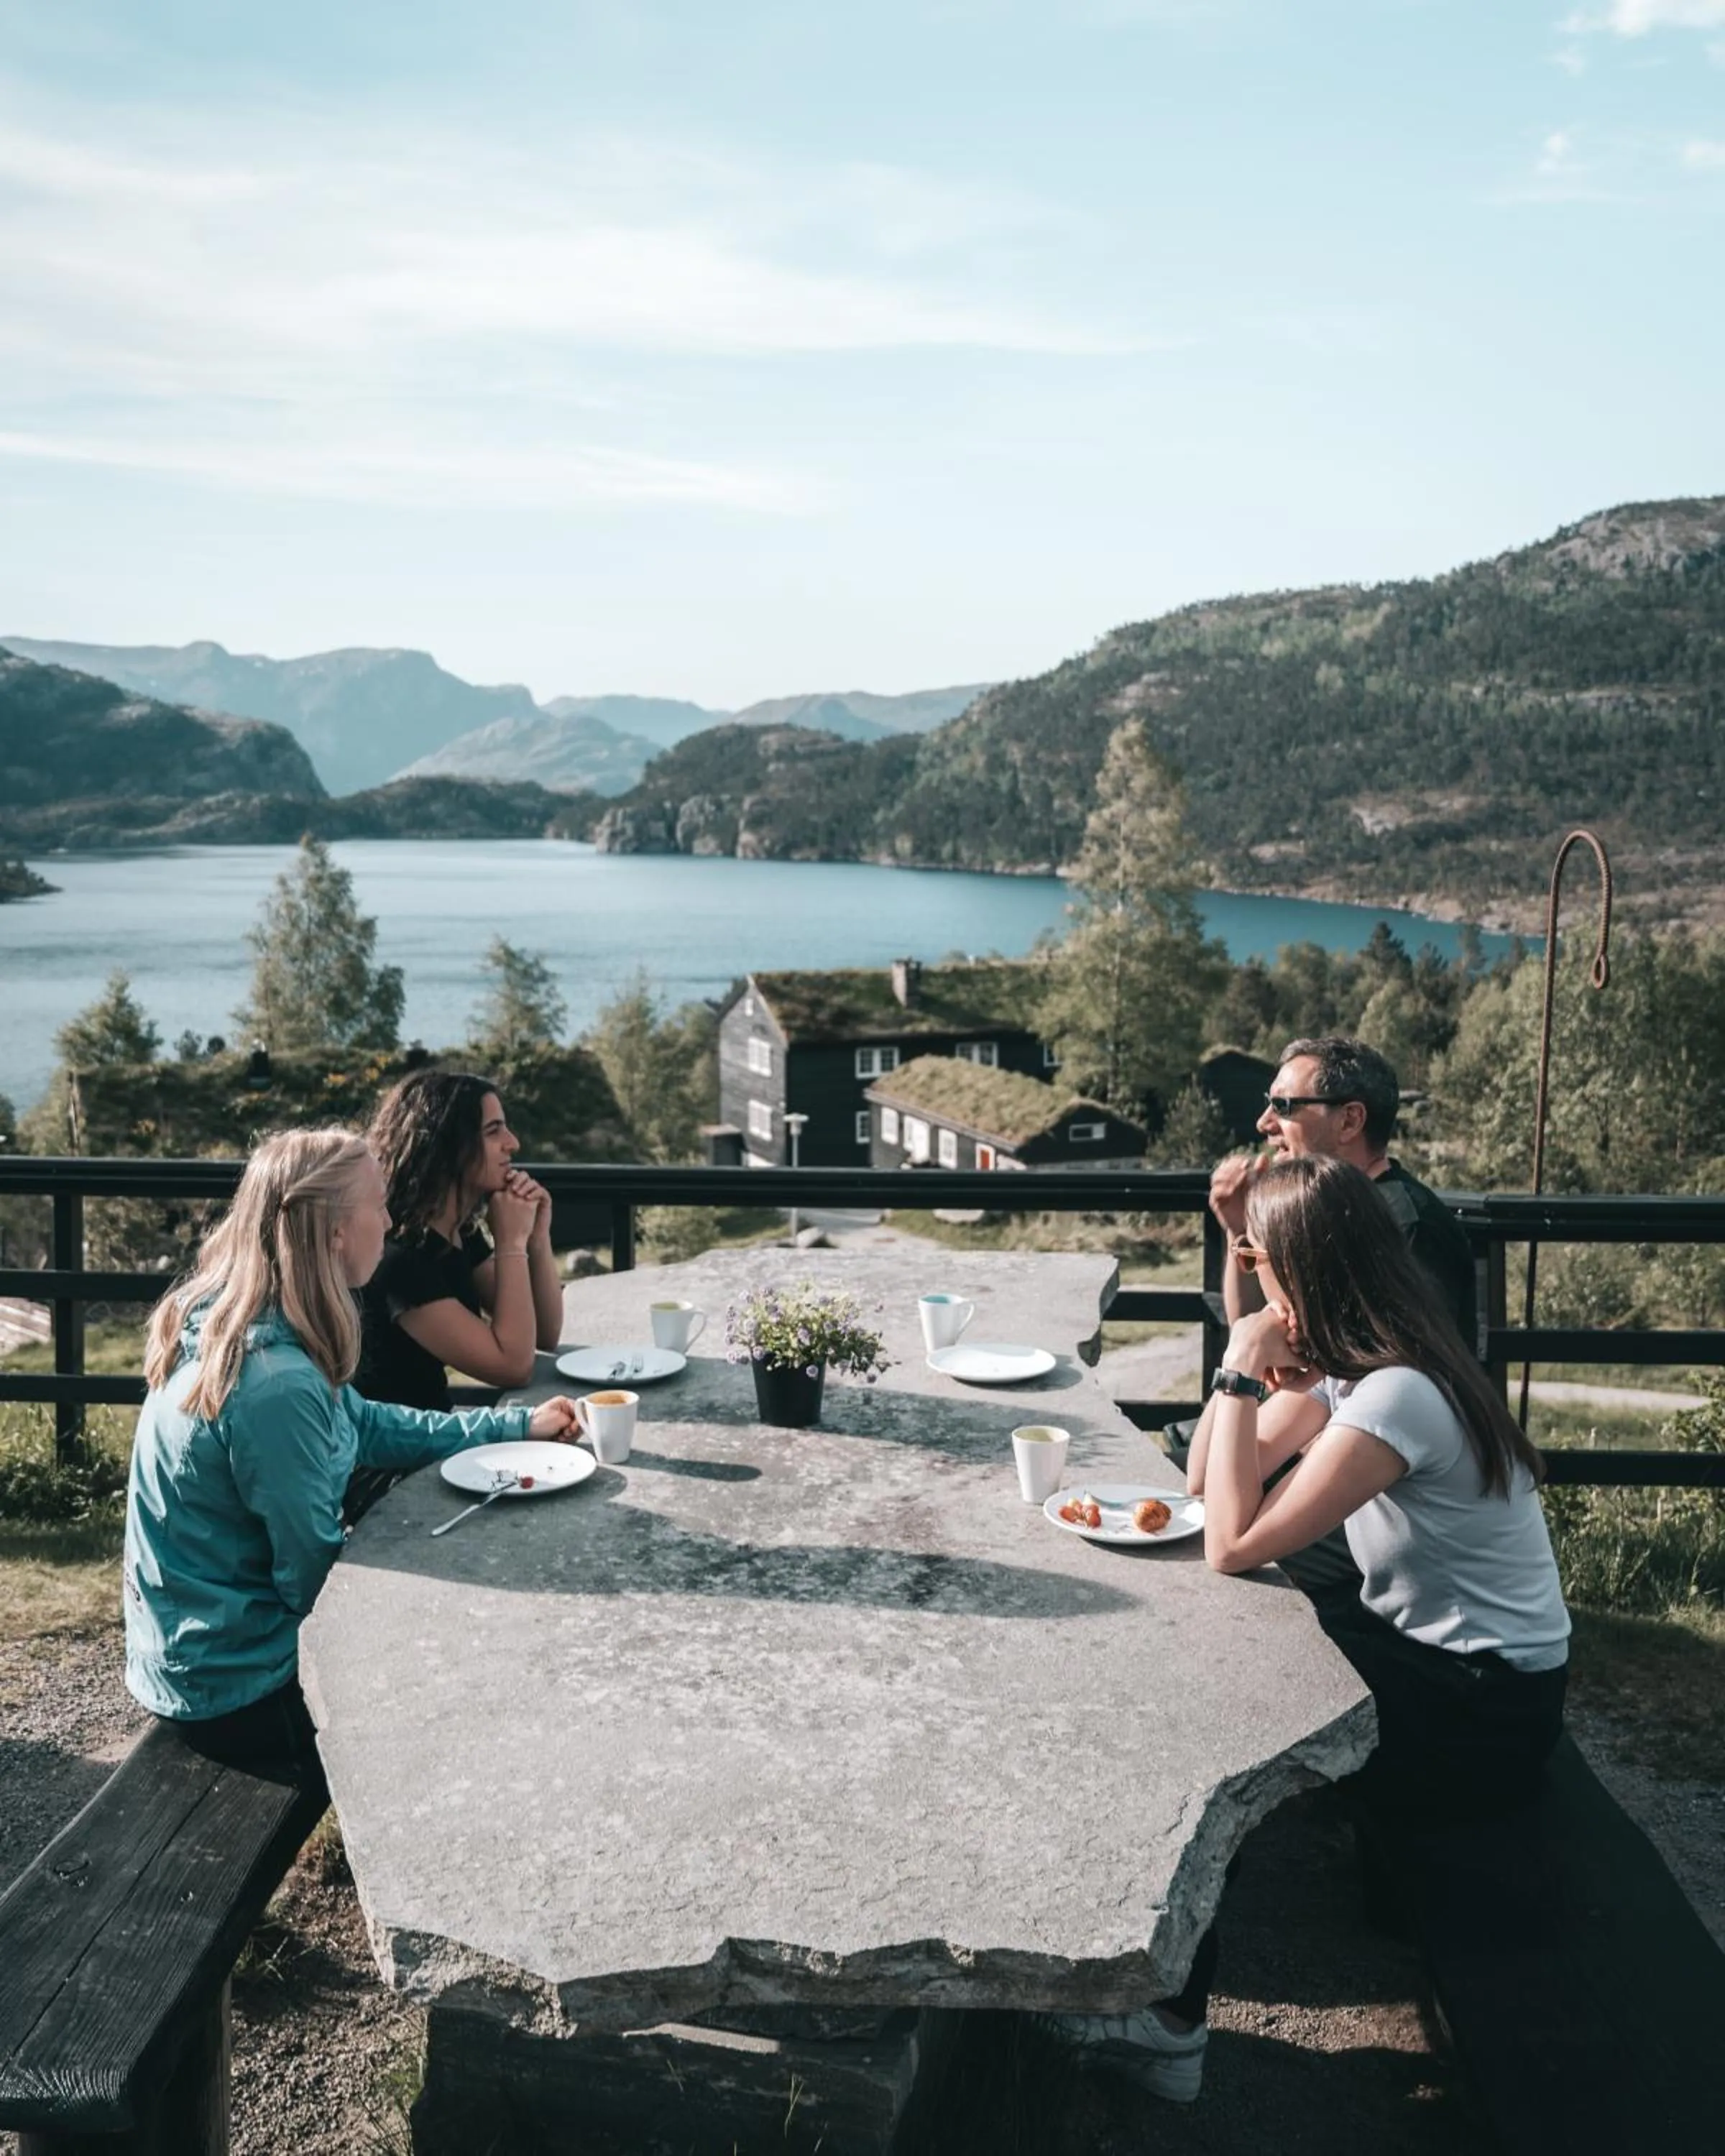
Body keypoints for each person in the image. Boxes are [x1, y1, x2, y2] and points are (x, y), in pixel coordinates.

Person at [1041, 1156, 1567, 2105]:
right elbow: (1204, 1485)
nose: (1258, 1283)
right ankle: (1151, 1978)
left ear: (1307, 1271)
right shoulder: (1362, 1367)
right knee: (1236, 1667)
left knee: (1231, 1717)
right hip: (1445, 1669)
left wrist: (1241, 1368)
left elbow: (1231, 1542)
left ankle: (1167, 2027)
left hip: (1483, 1707)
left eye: (1261, 1261)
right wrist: (1243, 1371)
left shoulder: (1398, 1393)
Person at [124, 1128, 581, 1800]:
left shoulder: (258, 1323)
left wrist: (512, 1426)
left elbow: (364, 1424)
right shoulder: (274, 1385)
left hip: (201, 1652)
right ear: (335, 1230)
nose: (391, 1221)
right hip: (235, 1687)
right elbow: (309, 1574)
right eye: (377, 1205)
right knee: (474, 1693)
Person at [1209, 1035, 1476, 1346]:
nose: (1263, 1122)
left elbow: (1399, 1369)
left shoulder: (1406, 1226)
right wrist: (1241, 1231)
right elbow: (1250, 1332)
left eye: (1282, 1106)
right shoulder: (1317, 1211)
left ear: (1349, 1121)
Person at [358, 1069, 565, 1412]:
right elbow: (513, 1367)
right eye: (493, 1131)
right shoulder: (400, 1256)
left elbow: (544, 1333)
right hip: (397, 1458)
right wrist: (511, 1244)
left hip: (434, 1433)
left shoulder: (457, 1232)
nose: (512, 1143)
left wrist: (536, 1239)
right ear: (448, 1146)